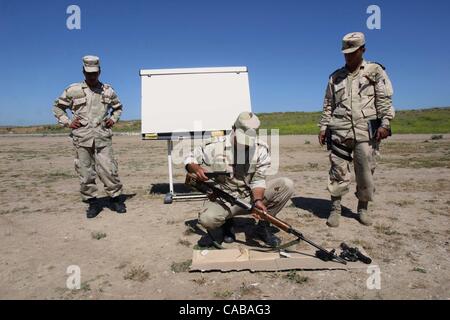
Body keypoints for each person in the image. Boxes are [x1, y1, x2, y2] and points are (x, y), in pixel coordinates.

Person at [318, 32, 395, 227]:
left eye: (353, 52)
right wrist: (323, 126)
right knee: (337, 171)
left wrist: (385, 124)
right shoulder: (335, 77)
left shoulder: (375, 71)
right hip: (340, 131)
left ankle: (362, 209)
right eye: (346, 52)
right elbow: (328, 104)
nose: (348, 56)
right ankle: (335, 209)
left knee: (365, 172)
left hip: (365, 132)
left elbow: (384, 100)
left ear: (363, 50)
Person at [185, 111, 295, 247]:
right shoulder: (215, 145)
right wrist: (196, 169)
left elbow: (258, 180)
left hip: (249, 195)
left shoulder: (260, 149)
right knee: (207, 219)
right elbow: (189, 158)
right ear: (234, 129)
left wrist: (258, 200)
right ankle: (226, 224)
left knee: (286, 185)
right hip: (223, 197)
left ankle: (263, 227)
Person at [53, 55, 126, 218]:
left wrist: (113, 119)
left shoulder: (108, 90)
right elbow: (58, 108)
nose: (92, 76)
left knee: (108, 169)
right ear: (83, 72)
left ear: (99, 72)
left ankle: (115, 199)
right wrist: (68, 122)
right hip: (82, 137)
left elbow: (118, 107)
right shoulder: (73, 90)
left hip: (102, 137)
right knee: (85, 172)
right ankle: (92, 203)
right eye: (88, 73)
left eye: (94, 73)